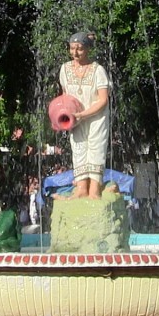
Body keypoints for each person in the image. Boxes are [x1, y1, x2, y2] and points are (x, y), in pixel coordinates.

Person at [58, 31, 110, 199]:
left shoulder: (98, 70)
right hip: (76, 118)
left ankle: (94, 189)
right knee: (78, 148)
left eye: (79, 49)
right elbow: (65, 95)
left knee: (96, 149)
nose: (75, 53)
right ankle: (81, 188)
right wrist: (63, 113)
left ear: (87, 49)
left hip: (96, 117)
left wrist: (83, 114)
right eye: (72, 48)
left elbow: (103, 100)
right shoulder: (65, 69)